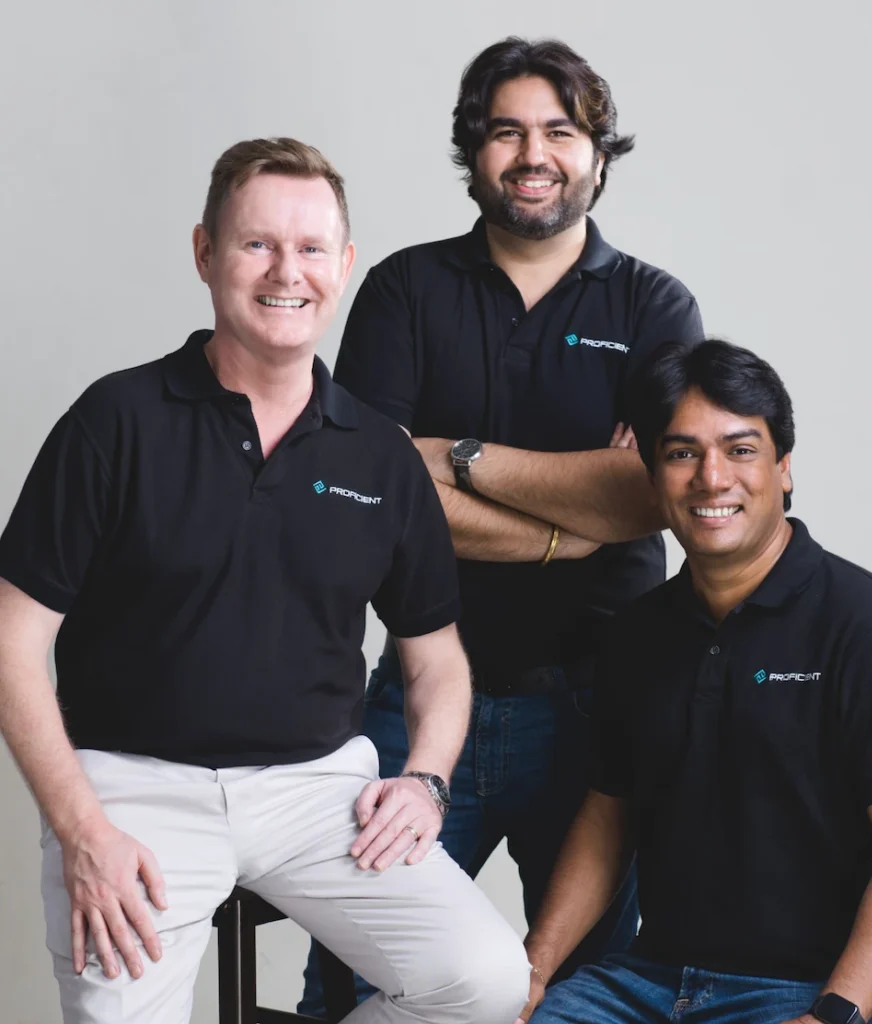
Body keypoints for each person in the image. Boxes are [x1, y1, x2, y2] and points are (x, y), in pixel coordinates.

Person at [0, 137, 530, 1024]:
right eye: (257, 244)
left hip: (315, 794)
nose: (288, 271)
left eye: (312, 248)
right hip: (133, 790)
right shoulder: (115, 420)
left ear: (344, 265)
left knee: (482, 982)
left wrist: (425, 778)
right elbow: (13, 643)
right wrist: (82, 831)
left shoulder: (379, 455)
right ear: (205, 252)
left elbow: (435, 657)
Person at [300, 35, 704, 1017]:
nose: (533, 154)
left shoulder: (654, 306)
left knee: (585, 993)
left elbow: (649, 493)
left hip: (594, 707)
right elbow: (364, 492)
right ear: (471, 150)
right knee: (361, 986)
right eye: (505, 131)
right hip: (418, 694)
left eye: (559, 131)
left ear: (598, 153)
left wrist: (451, 454)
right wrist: (574, 516)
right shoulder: (405, 289)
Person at [518, 338, 872, 1024]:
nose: (711, 478)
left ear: (783, 468)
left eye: (740, 450)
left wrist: (835, 1013)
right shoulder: (635, 633)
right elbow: (606, 817)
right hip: (644, 982)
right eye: (682, 452)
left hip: (810, 989)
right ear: (654, 475)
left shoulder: (866, 626)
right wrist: (531, 973)